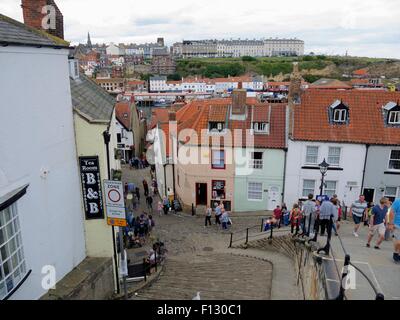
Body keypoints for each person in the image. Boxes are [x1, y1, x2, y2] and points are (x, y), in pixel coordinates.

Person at [387, 197, 400, 263]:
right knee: (398, 242)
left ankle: (398, 253)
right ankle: (396, 252)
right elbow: (391, 212)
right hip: (397, 224)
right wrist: (391, 223)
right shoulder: (398, 201)